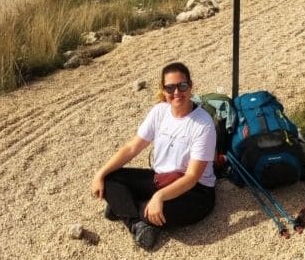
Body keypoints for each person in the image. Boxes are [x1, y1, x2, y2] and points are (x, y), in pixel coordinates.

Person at [91, 62, 217, 250]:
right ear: (163, 89)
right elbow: (132, 147)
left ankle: (125, 208)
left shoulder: (203, 124)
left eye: (182, 86)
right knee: (110, 178)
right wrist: (99, 173)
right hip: (161, 179)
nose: (177, 92)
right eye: (170, 87)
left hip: (196, 192)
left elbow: (192, 178)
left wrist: (159, 197)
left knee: (160, 209)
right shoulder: (159, 111)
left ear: (191, 86)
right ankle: (137, 222)